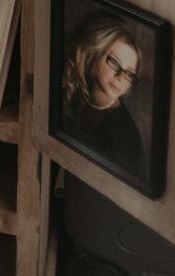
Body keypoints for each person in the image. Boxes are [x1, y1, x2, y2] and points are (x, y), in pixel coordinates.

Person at [61, 11, 146, 179]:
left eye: (130, 74)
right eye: (114, 62)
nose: (121, 77)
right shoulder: (74, 95)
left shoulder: (123, 135)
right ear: (93, 55)